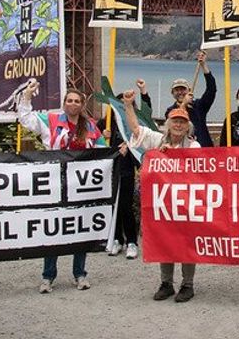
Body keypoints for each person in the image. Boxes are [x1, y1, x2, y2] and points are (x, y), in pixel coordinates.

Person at [18, 82, 106, 294]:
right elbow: (26, 119)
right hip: (56, 183)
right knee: (54, 229)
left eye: (77, 101)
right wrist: (27, 97)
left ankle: (80, 273)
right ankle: (48, 276)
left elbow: (102, 150)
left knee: (80, 230)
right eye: (69, 100)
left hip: (81, 186)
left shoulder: (91, 126)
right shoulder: (51, 120)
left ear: (82, 104)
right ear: (64, 103)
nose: (73, 104)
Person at [122, 89, 200, 303]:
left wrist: (173, 156)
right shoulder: (157, 140)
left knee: (185, 243)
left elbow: (198, 169)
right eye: (175, 121)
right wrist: (129, 106)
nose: (178, 125)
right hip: (163, 203)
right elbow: (137, 131)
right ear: (168, 123)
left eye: (182, 122)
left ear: (188, 127)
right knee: (165, 241)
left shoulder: (194, 146)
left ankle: (187, 284)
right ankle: (166, 283)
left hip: (184, 202)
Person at [100, 79, 151, 260]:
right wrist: (103, 135)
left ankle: (131, 241)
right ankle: (116, 239)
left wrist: (128, 147)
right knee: (114, 205)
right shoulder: (109, 122)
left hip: (127, 169)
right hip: (110, 171)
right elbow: (93, 133)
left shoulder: (133, 126)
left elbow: (147, 115)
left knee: (125, 205)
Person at [166, 51, 217, 147]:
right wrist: (184, 104)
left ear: (189, 90)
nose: (180, 92)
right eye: (177, 90)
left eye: (183, 89)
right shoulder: (170, 111)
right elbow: (174, 123)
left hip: (203, 151)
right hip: (182, 152)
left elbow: (212, 89)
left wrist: (203, 65)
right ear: (172, 93)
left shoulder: (199, 106)